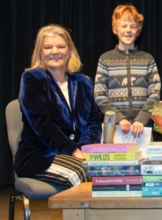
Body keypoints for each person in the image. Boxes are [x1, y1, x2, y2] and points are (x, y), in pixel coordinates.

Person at [15, 24, 102, 189]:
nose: (55, 51)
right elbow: (41, 124)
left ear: (69, 50)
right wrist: (73, 151)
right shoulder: (32, 79)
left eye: (61, 46)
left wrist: (84, 149)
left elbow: (94, 120)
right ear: (40, 53)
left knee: (107, 172)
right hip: (40, 155)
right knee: (83, 173)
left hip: (79, 153)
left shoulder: (84, 82)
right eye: (48, 47)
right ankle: (80, 216)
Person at [94, 4, 161, 137]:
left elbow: (155, 93)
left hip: (142, 128)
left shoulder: (148, 59)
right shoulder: (105, 59)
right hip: (114, 128)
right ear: (115, 29)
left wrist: (141, 118)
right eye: (124, 26)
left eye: (133, 26)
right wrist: (119, 118)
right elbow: (100, 95)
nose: (128, 30)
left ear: (138, 31)